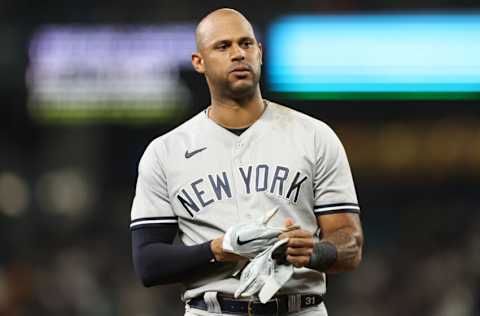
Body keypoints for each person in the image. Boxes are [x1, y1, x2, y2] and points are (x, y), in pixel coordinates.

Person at [130, 8, 363, 316]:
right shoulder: (165, 151)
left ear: (260, 52)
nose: (238, 54)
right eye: (223, 46)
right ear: (198, 62)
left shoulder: (315, 136)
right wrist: (219, 249)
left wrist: (315, 252)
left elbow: (351, 244)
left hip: (299, 308)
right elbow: (148, 264)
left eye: (246, 44)